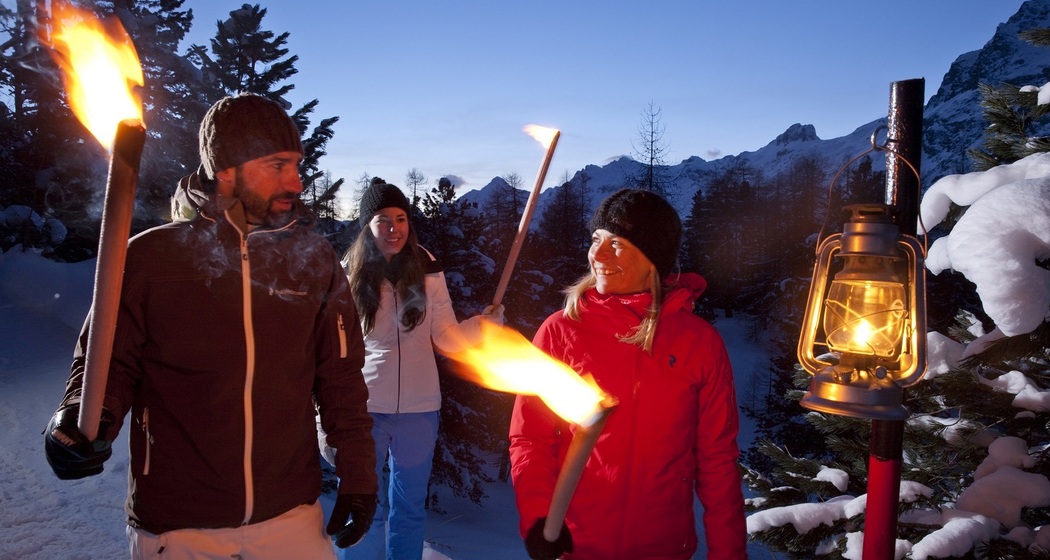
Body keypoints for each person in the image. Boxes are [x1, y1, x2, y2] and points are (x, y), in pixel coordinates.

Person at [43, 93, 378, 560]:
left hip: (290, 515)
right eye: (277, 165)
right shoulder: (150, 257)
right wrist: (80, 417)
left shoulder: (314, 260)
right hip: (180, 528)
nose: (296, 182)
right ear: (226, 169)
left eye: (296, 165)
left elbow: (340, 377)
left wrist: (358, 474)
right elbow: (107, 364)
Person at [508, 188, 748, 560]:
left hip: (664, 549)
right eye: (596, 239)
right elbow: (530, 439)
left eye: (617, 243)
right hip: (577, 547)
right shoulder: (561, 331)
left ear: (654, 259)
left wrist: (729, 554)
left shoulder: (699, 343)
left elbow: (717, 462)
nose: (598, 254)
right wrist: (540, 516)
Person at [329, 178, 503, 560]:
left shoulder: (426, 267)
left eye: (401, 219)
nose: (394, 229)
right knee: (364, 505)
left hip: (420, 409)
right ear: (367, 225)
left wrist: (482, 327)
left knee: (409, 508)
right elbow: (335, 352)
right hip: (366, 409)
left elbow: (446, 337)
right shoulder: (348, 274)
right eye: (383, 220)